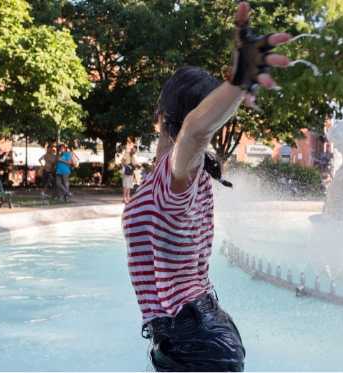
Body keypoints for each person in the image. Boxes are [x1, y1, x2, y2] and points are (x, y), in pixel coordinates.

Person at [122, 2, 290, 371]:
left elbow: (194, 133)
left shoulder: (177, 173)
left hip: (195, 341)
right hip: (192, 334)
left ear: (161, 113)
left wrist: (238, 80)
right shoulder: (176, 177)